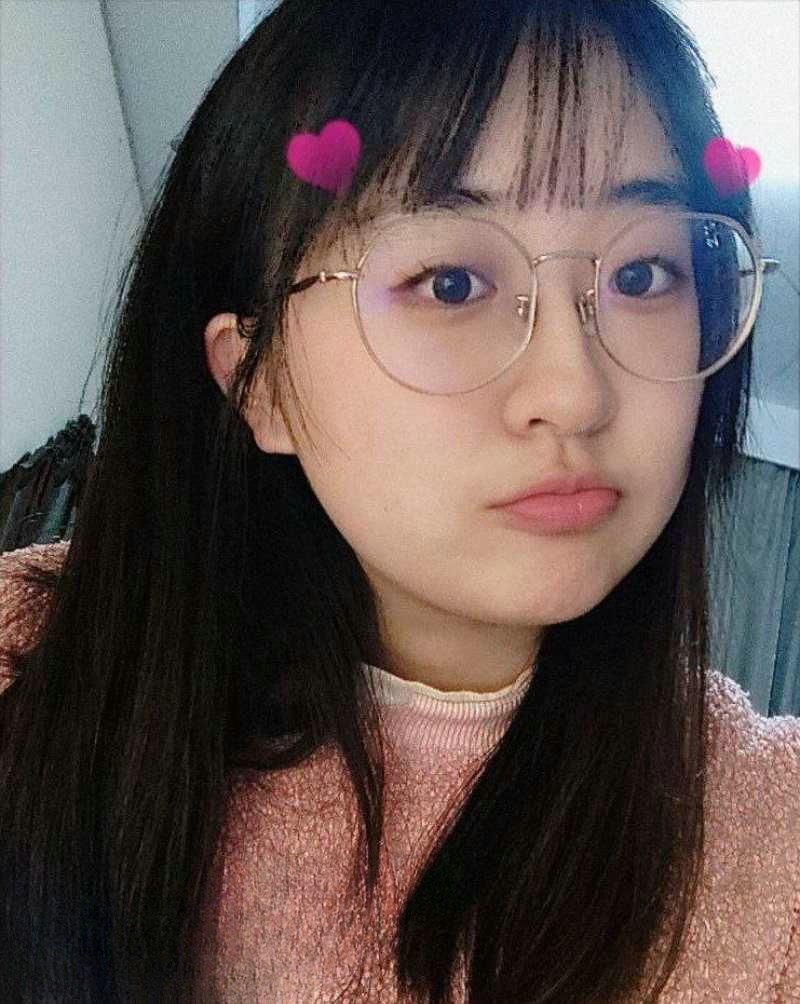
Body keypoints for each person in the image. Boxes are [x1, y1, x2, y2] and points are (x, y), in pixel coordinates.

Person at [0, 1, 797, 1001]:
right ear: (259, 380)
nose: (575, 392)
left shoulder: (769, 840)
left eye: (643, 273)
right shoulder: (30, 667)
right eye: (450, 282)